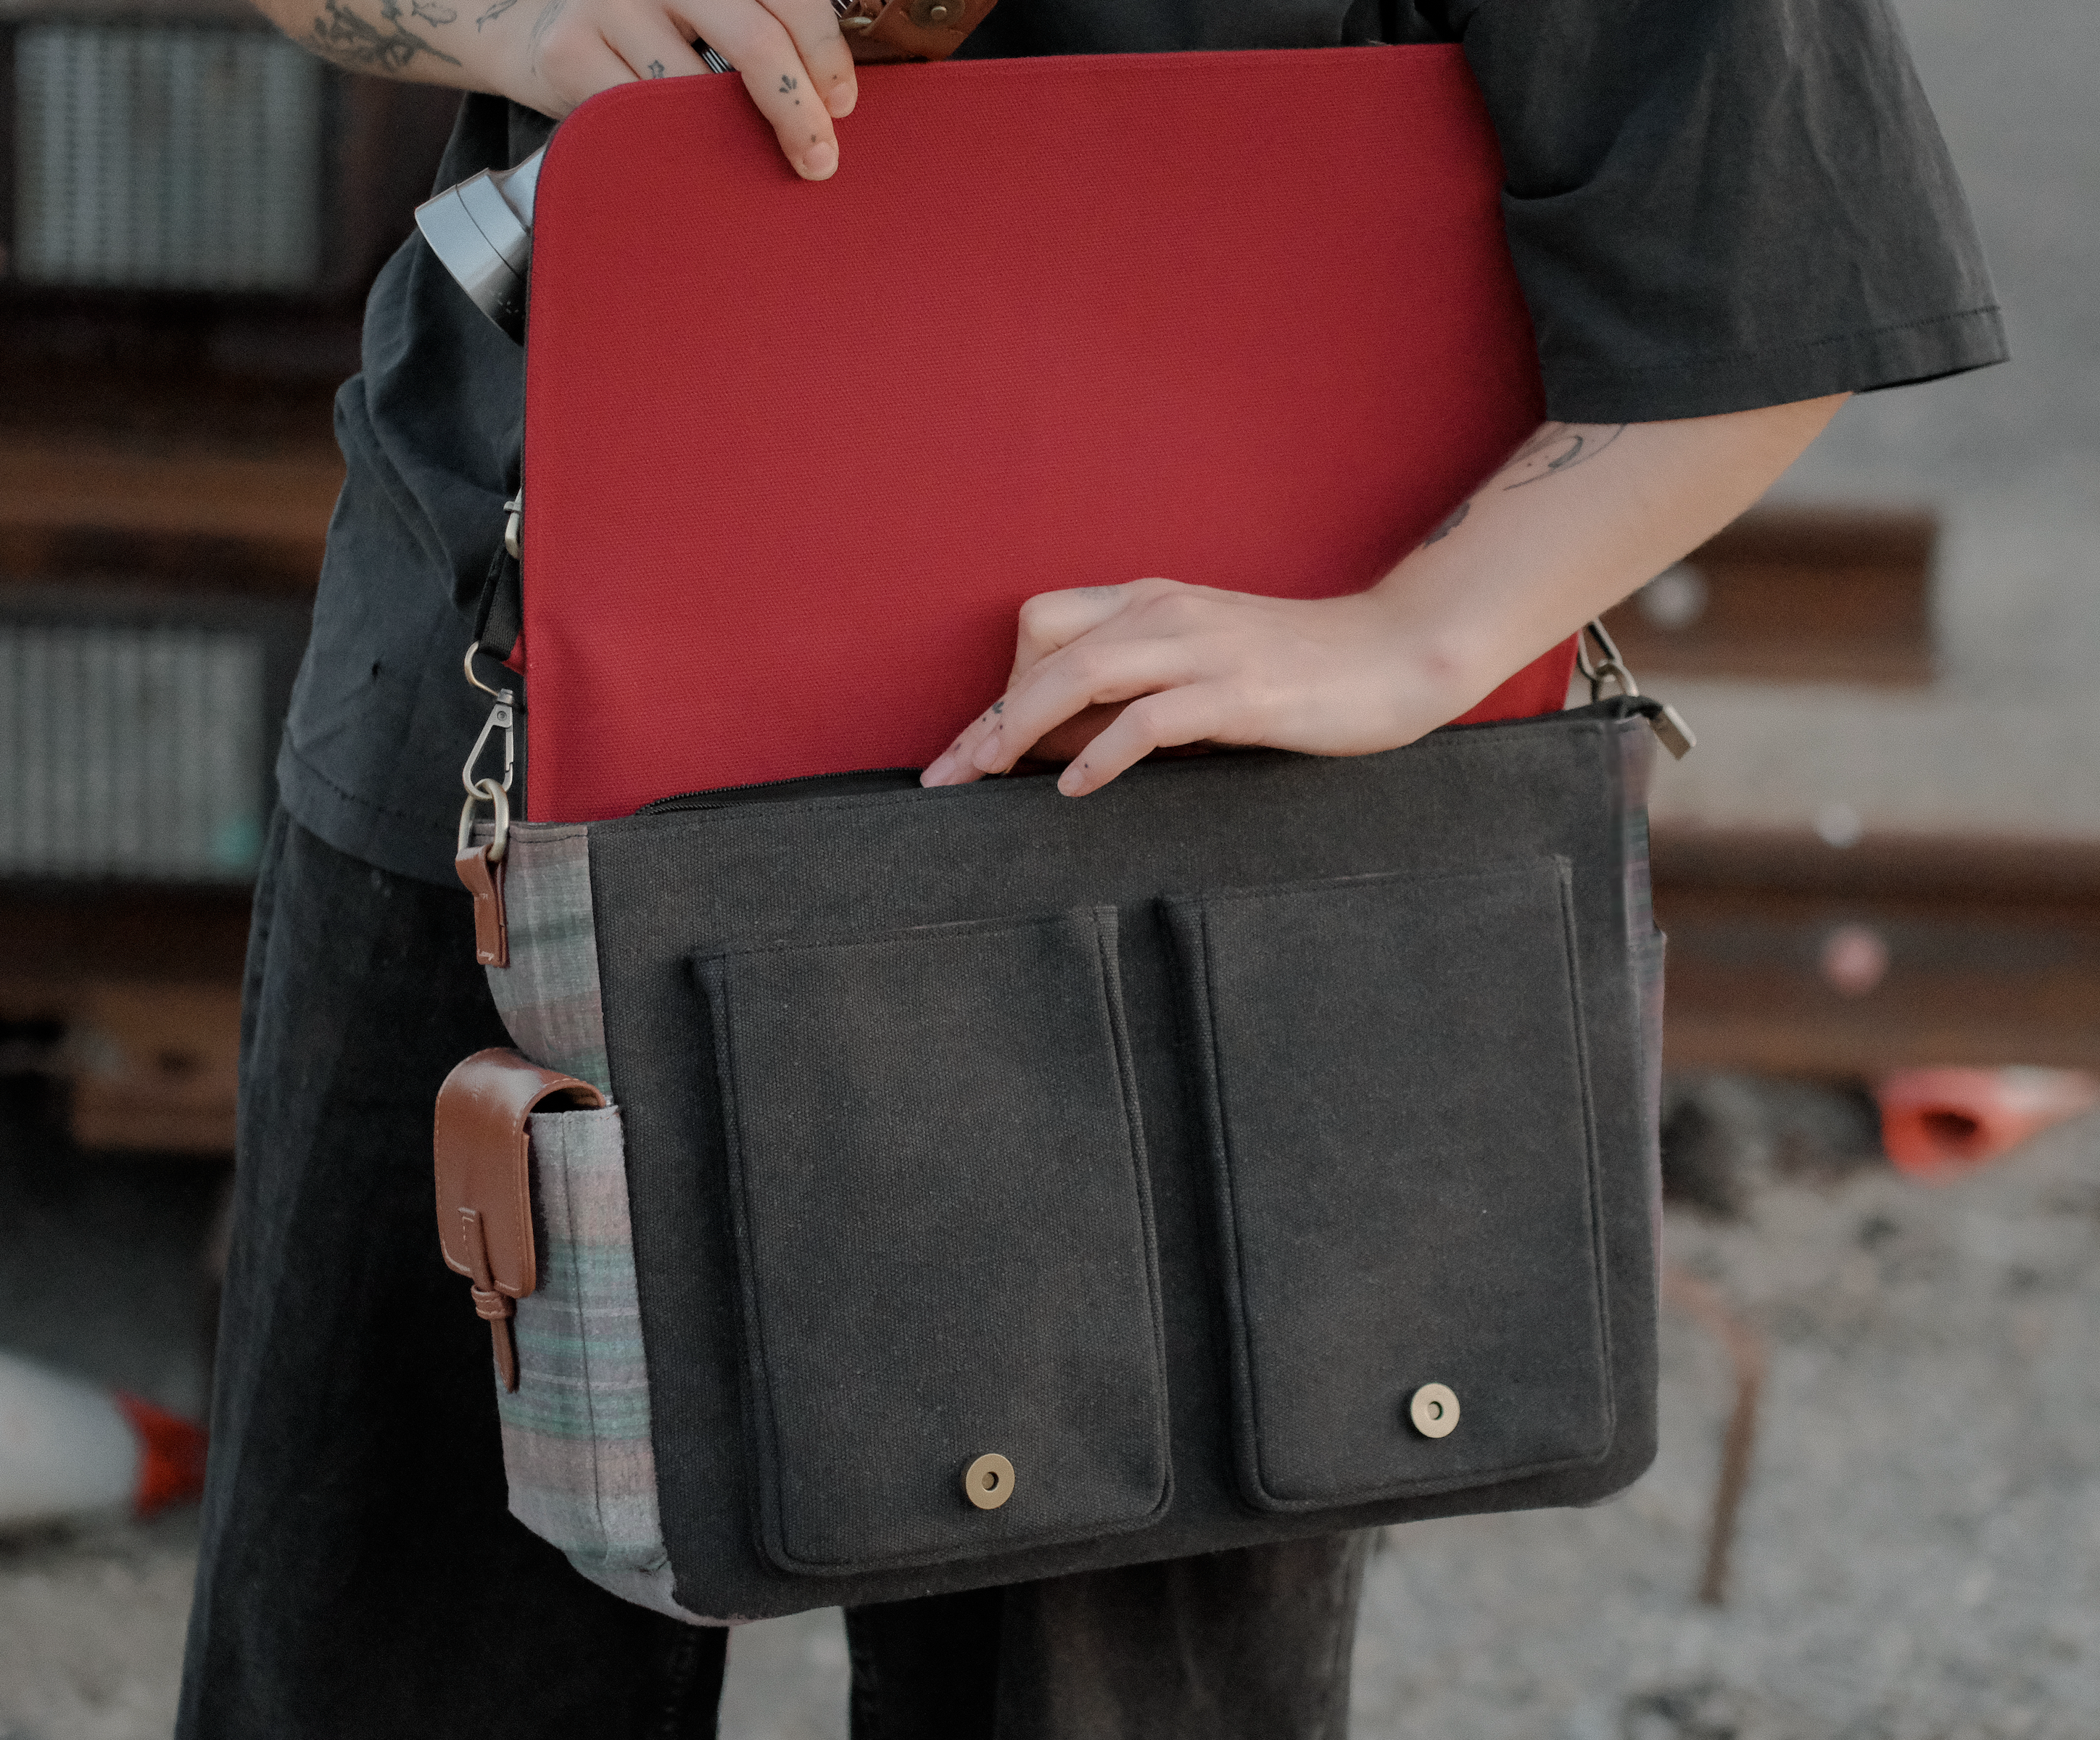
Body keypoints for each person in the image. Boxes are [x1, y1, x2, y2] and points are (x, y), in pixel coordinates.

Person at [177, 0, 2004, 1733]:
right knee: (390, 1656)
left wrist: (1419, 637)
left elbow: (1771, 238)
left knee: (1103, 1700)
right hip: (511, 719)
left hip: (1166, 832)